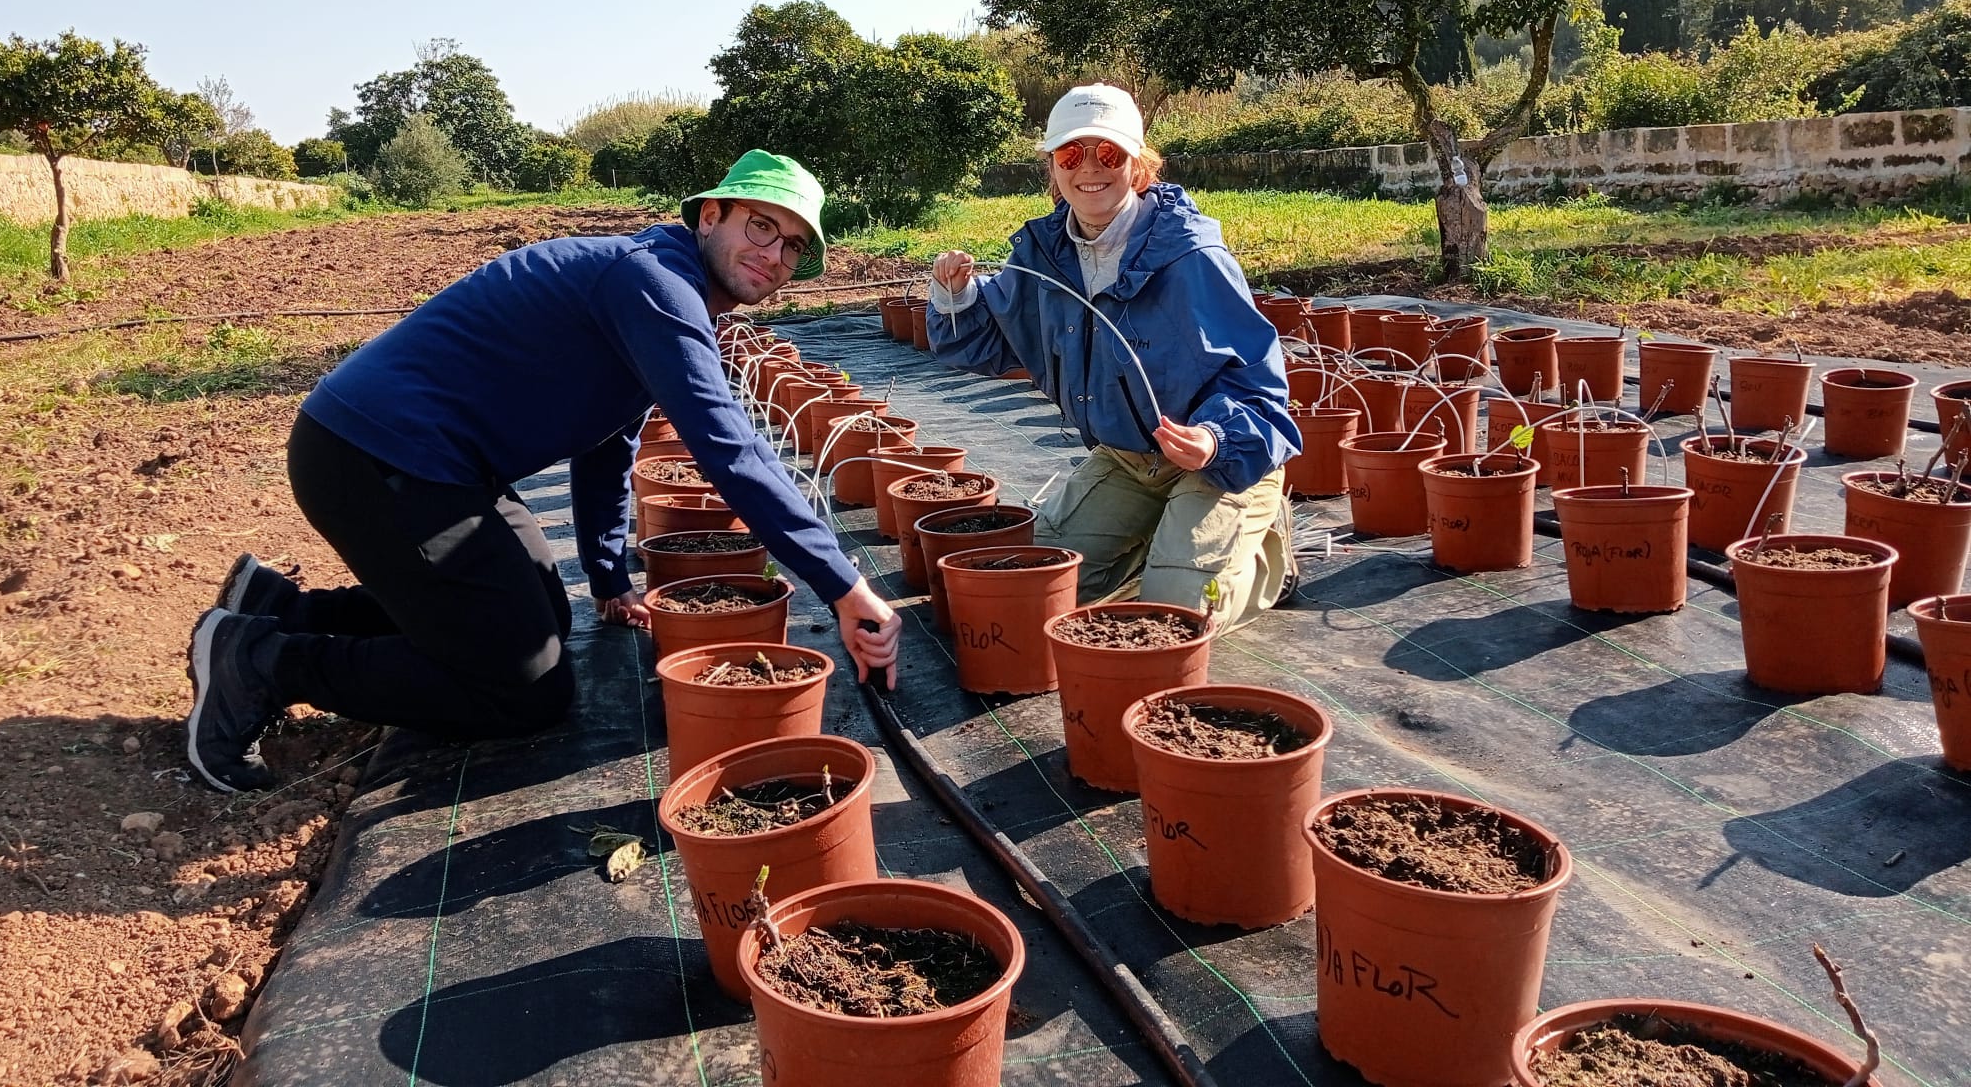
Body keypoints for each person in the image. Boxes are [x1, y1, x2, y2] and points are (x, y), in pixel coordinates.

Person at [183, 149, 901, 792]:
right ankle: (261, 662)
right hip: (375, 456)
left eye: (795, 246)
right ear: (710, 215)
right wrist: (844, 585)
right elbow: (729, 449)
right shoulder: (653, 281)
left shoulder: (659, 286)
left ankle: (280, 606)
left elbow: (609, 442)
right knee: (523, 689)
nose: (776, 255)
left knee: (542, 620)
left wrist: (611, 578)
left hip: (431, 463)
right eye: (762, 226)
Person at [928, 85, 1299, 626]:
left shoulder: (1192, 255)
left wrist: (1215, 440)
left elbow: (1261, 384)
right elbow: (991, 341)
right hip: (1127, 458)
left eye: (1110, 154)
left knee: (1176, 612)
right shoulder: (1044, 254)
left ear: (1138, 165)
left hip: (1216, 462)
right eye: (1071, 155)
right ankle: (1163, 535)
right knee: (1034, 586)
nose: (1090, 169)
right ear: (1053, 169)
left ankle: (1269, 559)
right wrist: (956, 295)